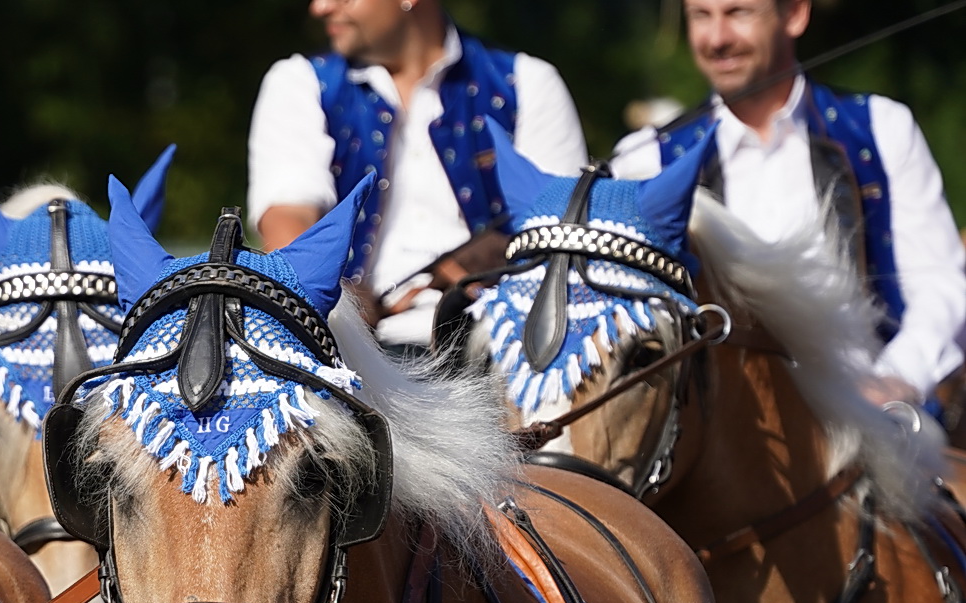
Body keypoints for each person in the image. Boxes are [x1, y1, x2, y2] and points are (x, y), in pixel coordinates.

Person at [613, 0, 966, 404]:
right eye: (701, 15)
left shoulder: (880, 130)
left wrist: (897, 379)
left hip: (877, 419)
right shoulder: (646, 161)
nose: (716, 39)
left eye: (738, 13)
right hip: (725, 431)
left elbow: (941, 282)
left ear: (795, 14)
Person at [247, 0, 588, 352]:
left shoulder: (528, 82)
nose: (320, 7)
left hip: (506, 344)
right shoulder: (300, 82)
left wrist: (498, 255)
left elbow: (563, 236)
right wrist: (344, 305)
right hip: (352, 351)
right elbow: (287, 216)